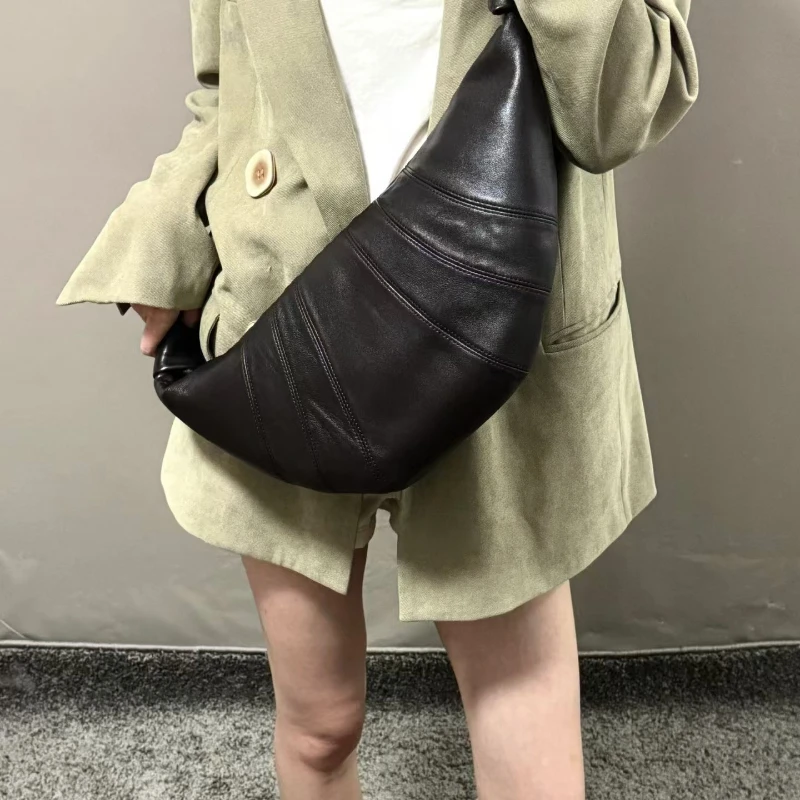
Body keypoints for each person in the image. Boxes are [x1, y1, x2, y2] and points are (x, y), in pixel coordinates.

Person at [56, 0, 699, 797]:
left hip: (493, 336)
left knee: (521, 728)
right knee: (319, 725)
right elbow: (228, 95)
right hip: (287, 323)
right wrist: (166, 236)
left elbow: (618, 111)